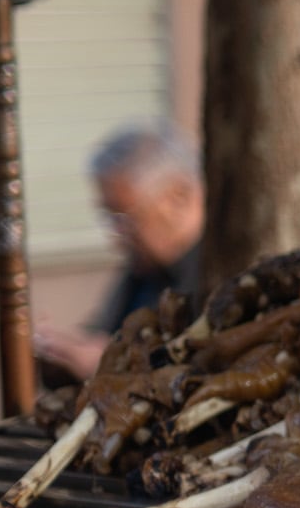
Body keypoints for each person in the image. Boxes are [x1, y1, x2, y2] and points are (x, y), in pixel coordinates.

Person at [38, 124, 204, 380]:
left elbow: (203, 377)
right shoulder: (142, 268)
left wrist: (112, 368)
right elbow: (101, 338)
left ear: (177, 196)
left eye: (125, 217)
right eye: (109, 217)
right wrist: (64, 352)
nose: (116, 236)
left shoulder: (219, 273)